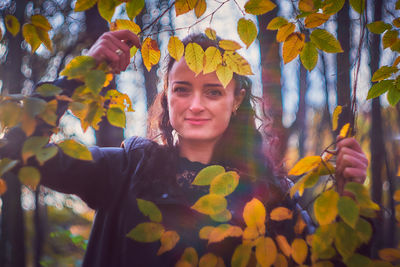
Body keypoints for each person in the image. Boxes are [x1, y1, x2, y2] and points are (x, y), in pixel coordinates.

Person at [2, 30, 368, 266]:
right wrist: (83, 72)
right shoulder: (125, 171)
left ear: (236, 100)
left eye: (213, 91)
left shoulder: (272, 197)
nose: (195, 105)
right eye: (182, 89)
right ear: (167, 97)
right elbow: (16, 150)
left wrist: (349, 197)